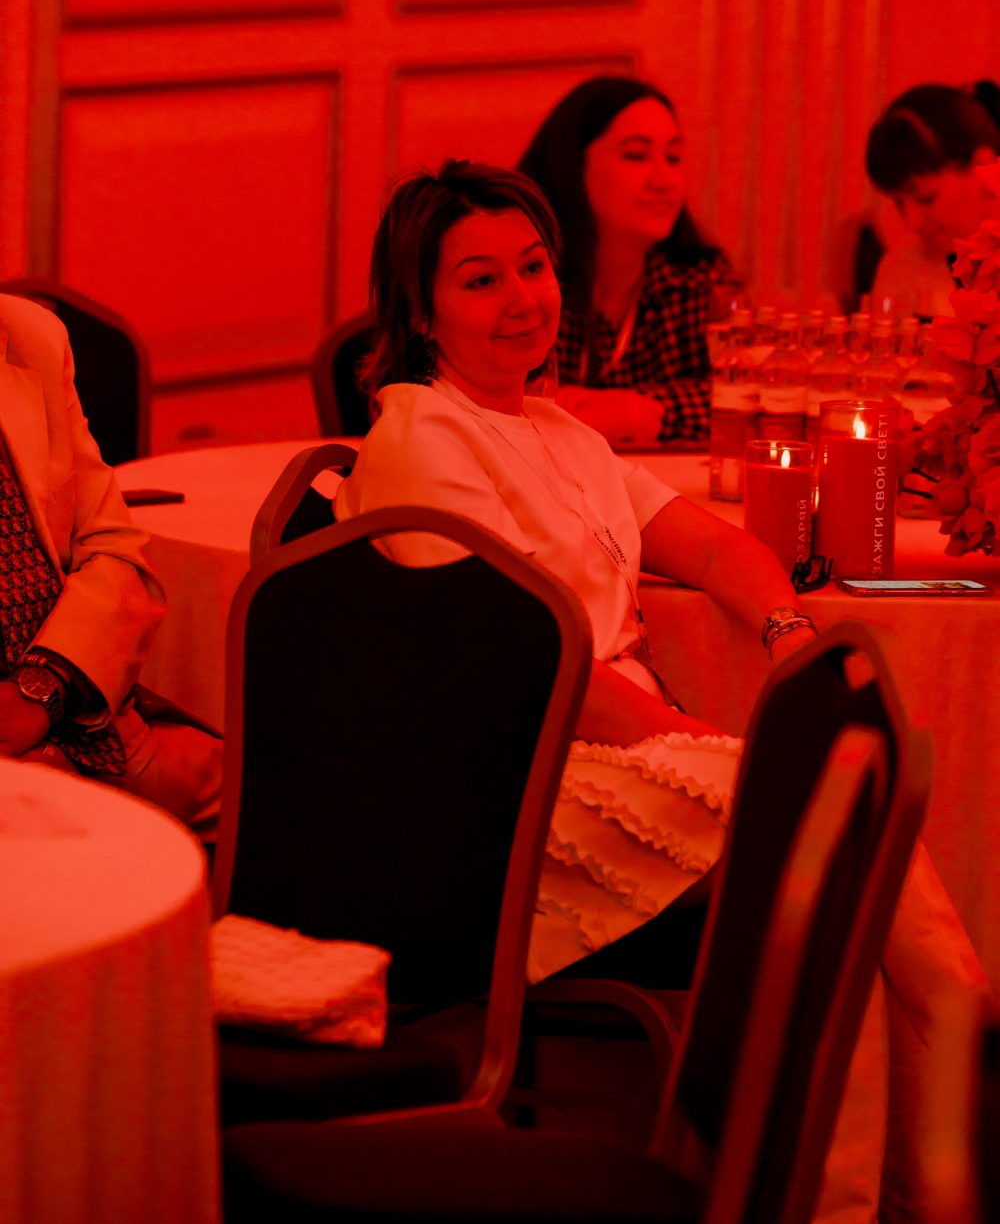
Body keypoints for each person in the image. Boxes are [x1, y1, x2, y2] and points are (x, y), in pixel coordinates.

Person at [338, 159, 992, 1223]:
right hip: (515, 791)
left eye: (533, 267)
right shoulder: (422, 437)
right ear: (420, 309)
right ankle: (953, 1088)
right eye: (480, 280)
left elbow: (713, 545)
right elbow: (528, 664)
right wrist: (690, 736)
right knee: (829, 831)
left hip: (615, 756)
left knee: (834, 869)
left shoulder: (558, 432)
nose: (522, 298)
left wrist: (787, 636)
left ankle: (899, 1178)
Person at [0, 292, 221, 841]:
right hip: (21, 779)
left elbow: (114, 547)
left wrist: (42, 688)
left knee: (301, 793)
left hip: (90, 717)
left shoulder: (26, 336)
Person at [518, 76, 738, 446]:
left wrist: (645, 410)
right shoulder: (526, 279)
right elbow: (476, 401)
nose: (664, 180)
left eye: (673, 158)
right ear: (572, 164)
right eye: (637, 155)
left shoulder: (698, 279)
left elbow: (749, 395)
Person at [866, 81, 1000, 320]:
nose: (912, 223)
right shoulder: (903, 270)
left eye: (926, 198)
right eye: (899, 203)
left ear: (983, 167)